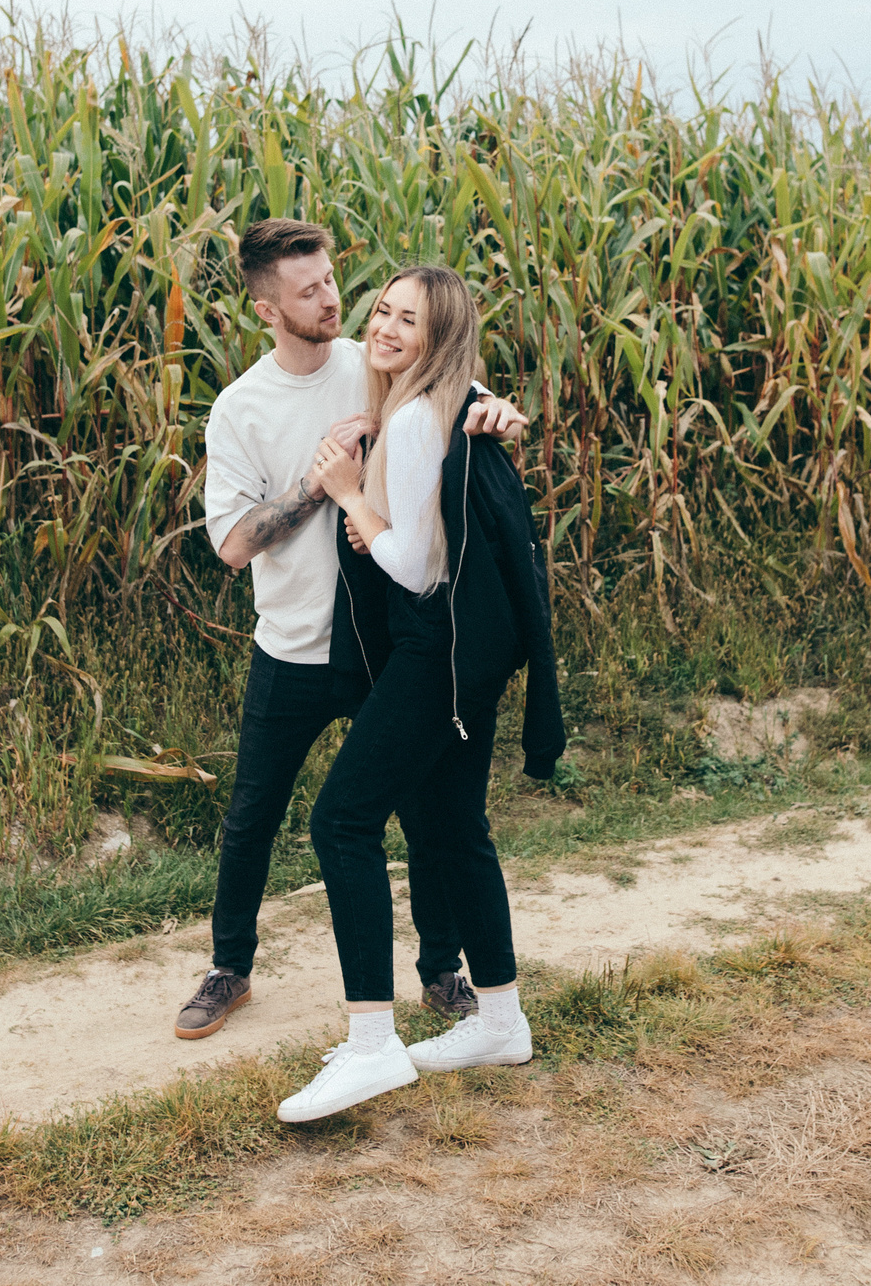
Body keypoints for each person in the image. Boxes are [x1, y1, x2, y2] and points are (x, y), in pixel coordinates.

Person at [177, 220, 528, 1041]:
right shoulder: (240, 409)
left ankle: (441, 968)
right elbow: (231, 546)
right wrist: (321, 482)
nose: (335, 299)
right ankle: (230, 966)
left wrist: (493, 408)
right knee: (253, 813)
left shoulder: (366, 362)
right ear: (268, 309)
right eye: (309, 291)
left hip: (381, 641)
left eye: (332, 280)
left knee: (426, 810)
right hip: (293, 643)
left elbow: (442, 387)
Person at [274, 263, 561, 1124]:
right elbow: (475, 396)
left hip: (435, 649)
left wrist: (347, 495)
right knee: (450, 827)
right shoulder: (440, 397)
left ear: (440, 337)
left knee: (343, 820)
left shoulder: (410, 423)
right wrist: (494, 403)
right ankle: (500, 1021)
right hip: (471, 653)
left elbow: (413, 566)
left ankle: (370, 1046)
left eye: (413, 320)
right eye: (385, 312)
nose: (391, 328)